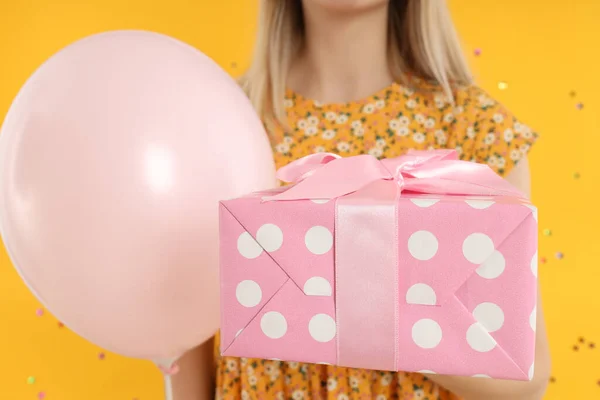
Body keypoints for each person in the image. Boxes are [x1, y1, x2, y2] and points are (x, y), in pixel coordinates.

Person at [173, 0, 551, 398]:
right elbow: (185, 343)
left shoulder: (474, 128)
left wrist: (352, 307)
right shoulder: (224, 120)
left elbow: (524, 383)